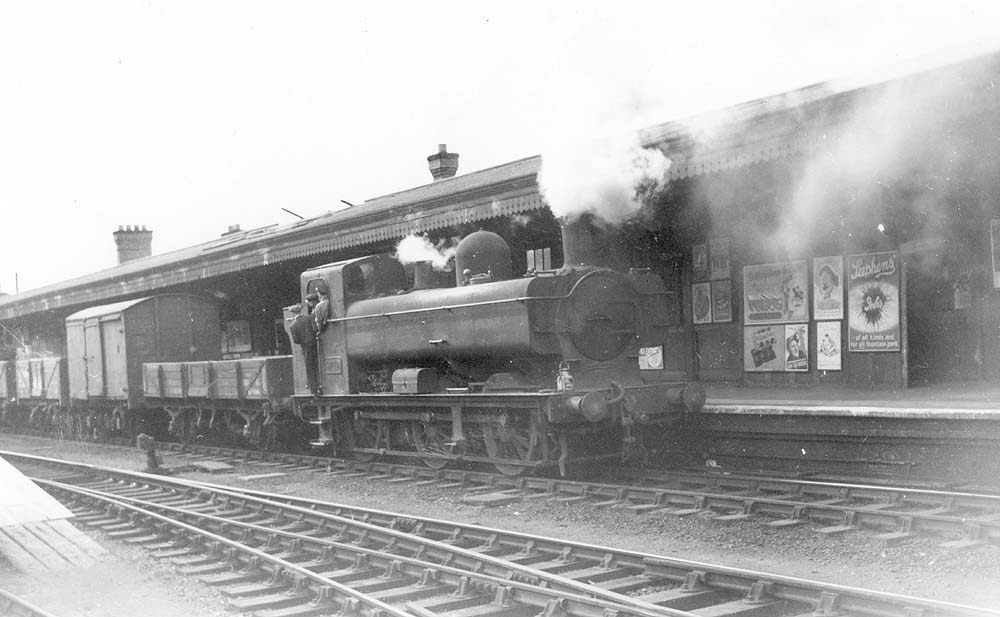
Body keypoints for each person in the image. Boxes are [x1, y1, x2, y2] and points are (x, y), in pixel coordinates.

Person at [290, 294, 320, 395]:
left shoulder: (293, 325)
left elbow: (296, 341)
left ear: (293, 314)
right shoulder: (308, 318)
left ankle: (314, 391)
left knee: (310, 369)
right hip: (315, 344)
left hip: (306, 348)